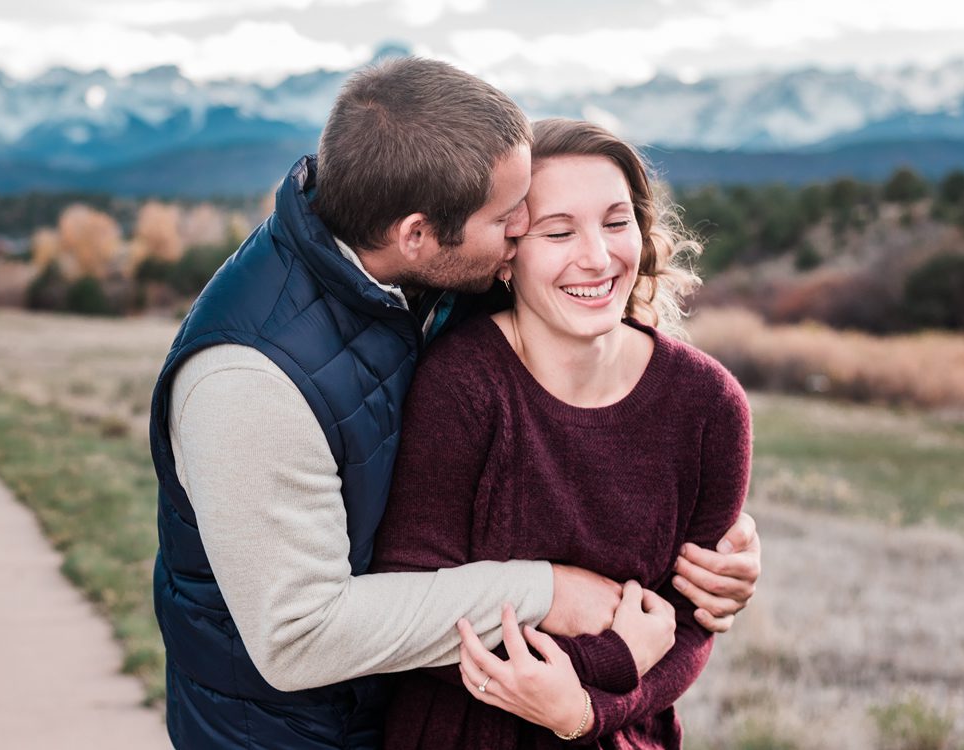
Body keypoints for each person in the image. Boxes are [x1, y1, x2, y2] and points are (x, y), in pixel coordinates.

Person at [148, 59, 761, 749]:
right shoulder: (247, 381)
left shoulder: (426, 270)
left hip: (404, 704)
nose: (522, 233)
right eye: (514, 223)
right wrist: (558, 601)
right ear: (418, 233)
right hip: (290, 732)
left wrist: (722, 550)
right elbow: (300, 636)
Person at [370, 117, 752, 747]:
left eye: (615, 221)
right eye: (558, 231)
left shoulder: (708, 404)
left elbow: (692, 619)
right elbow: (414, 608)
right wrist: (606, 663)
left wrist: (586, 712)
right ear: (506, 256)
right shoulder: (461, 386)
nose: (598, 257)